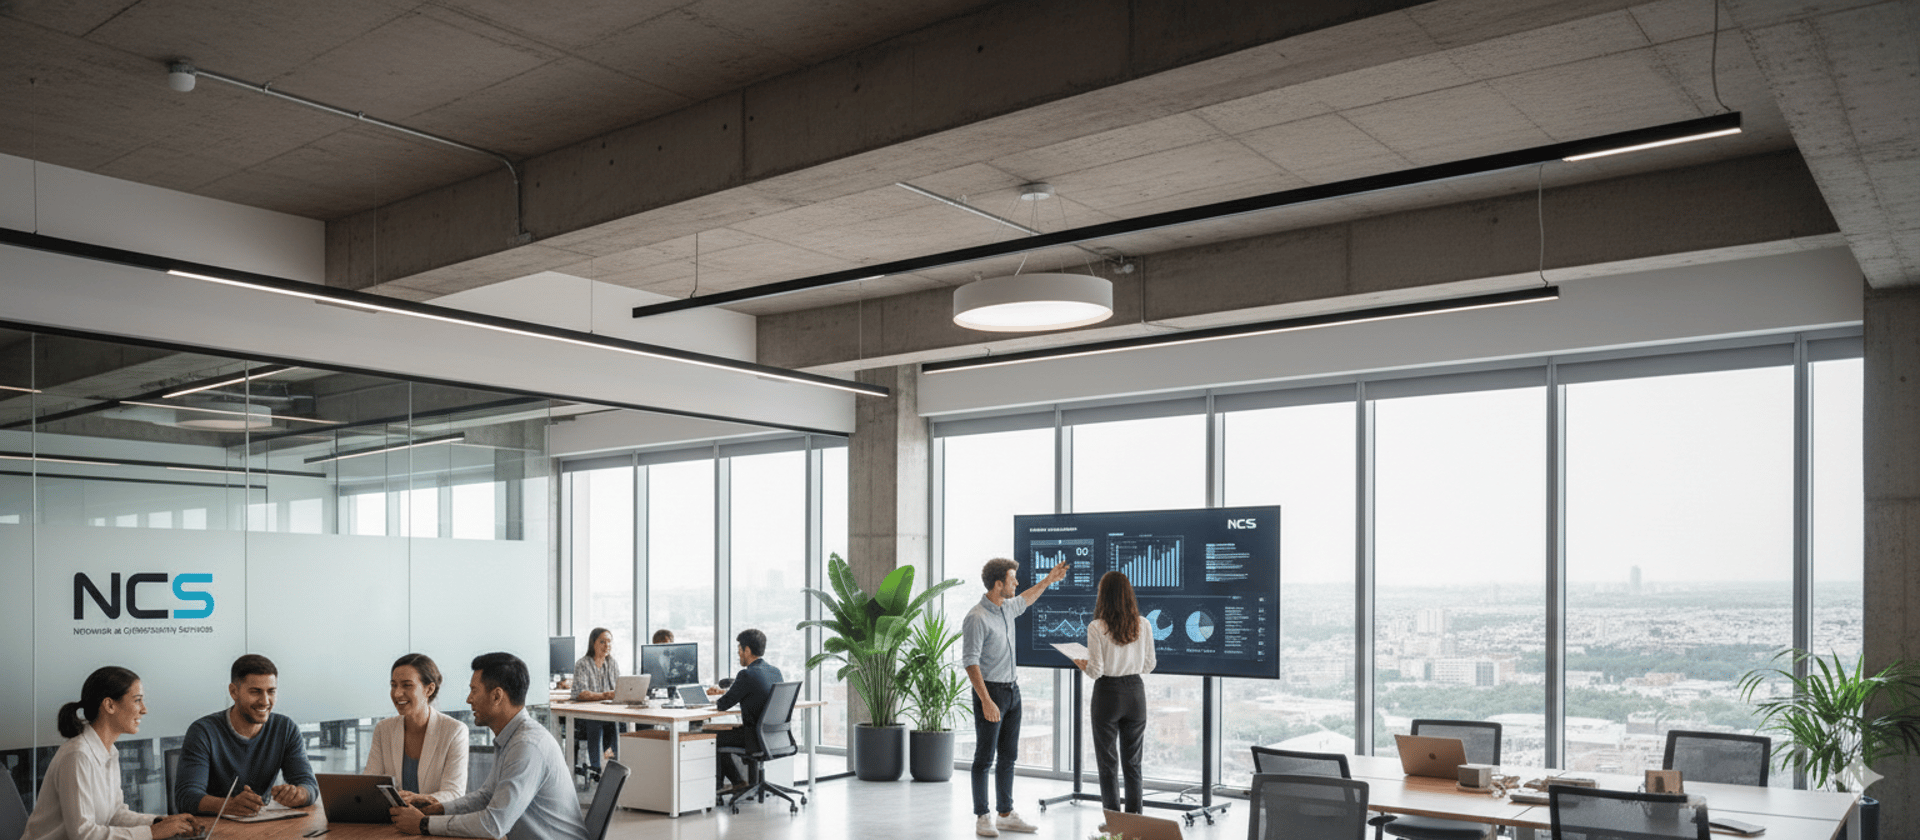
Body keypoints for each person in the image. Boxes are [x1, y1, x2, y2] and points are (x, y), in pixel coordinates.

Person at [389, 653, 586, 840]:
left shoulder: (527, 746)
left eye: (474, 690)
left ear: (497, 696)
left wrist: (424, 824)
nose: (469, 699)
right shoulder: (512, 738)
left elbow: (493, 824)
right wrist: (440, 808)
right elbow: (486, 796)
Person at [23, 667, 198, 840]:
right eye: (137, 700)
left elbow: (115, 815)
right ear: (110, 705)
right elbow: (82, 834)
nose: (144, 710)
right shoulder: (77, 756)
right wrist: (152, 833)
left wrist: (158, 822)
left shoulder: (109, 751)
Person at [961, 556, 1069, 837]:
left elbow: (1026, 598)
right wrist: (986, 700)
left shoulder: (1006, 608)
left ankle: (1005, 814)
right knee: (984, 758)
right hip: (991, 692)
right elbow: (971, 662)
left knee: (1008, 756)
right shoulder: (976, 617)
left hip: (1013, 690)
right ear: (999, 584)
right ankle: (982, 817)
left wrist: (1048, 580)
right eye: (1012, 579)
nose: (1016, 583)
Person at [175, 655, 317, 816]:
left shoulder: (285, 728)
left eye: (271, 691)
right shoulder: (203, 732)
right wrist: (228, 805)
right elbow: (186, 797)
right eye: (256, 692)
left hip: (261, 824)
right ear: (234, 692)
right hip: (215, 829)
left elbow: (309, 785)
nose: (265, 701)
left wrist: (299, 795)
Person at [1072, 572, 1156, 817]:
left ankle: (1114, 823)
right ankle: (1134, 822)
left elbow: (1096, 671)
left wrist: (1081, 663)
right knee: (1133, 764)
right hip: (1136, 695)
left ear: (1102, 596)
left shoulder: (1097, 627)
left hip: (1108, 694)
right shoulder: (1144, 624)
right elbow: (1149, 666)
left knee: (1108, 764)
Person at [364, 653, 469, 803]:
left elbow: (454, 793)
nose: (397, 693)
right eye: (393, 685)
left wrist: (420, 799)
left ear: (429, 689)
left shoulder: (454, 731)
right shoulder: (384, 729)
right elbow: (369, 782)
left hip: (433, 821)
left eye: (407, 685)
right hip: (392, 819)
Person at [710, 628, 782, 793]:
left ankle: (718, 789)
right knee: (725, 733)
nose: (739, 654)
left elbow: (722, 705)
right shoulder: (775, 671)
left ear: (747, 650)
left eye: (739, 650)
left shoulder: (746, 675)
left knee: (712, 738)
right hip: (775, 736)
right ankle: (737, 782)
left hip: (755, 739)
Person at [569, 628, 619, 771]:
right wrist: (604, 695)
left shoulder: (612, 663)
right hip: (586, 715)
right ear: (593, 644)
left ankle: (610, 763)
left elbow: (619, 689)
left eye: (609, 642)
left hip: (607, 712)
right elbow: (580, 694)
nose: (606, 645)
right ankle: (595, 766)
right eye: (602, 642)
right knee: (595, 721)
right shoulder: (582, 664)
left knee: (613, 723)